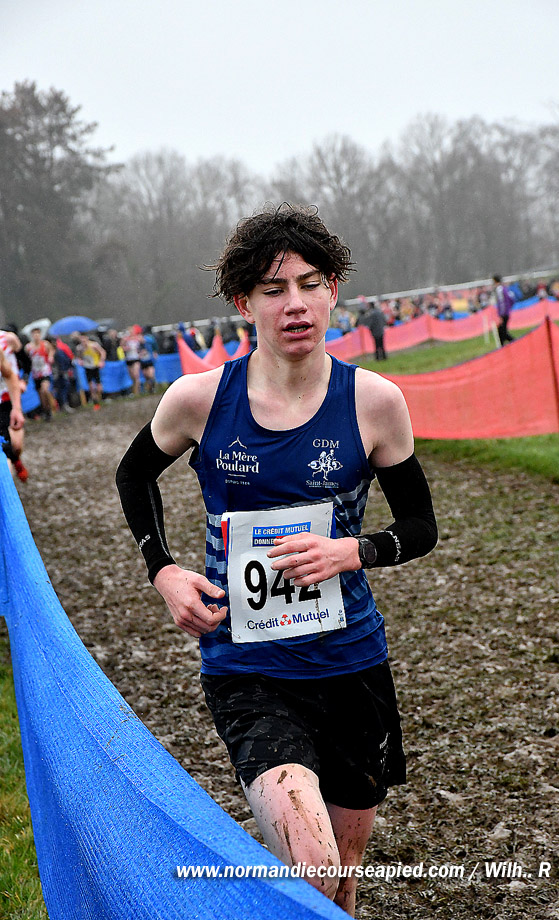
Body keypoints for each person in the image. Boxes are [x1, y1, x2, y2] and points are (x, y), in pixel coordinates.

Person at [115, 204, 437, 916]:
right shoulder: (199, 400)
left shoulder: (375, 402)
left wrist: (353, 551)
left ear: (333, 291)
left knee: (342, 881)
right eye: (273, 289)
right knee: (312, 867)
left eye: (310, 284)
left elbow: (421, 527)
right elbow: (133, 475)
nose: (295, 304)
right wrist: (163, 571)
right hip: (248, 667)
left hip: (352, 664)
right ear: (244, 302)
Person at [0, 334, 26, 479]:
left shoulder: (6, 338)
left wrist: (17, 408)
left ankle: (15, 460)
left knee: (15, 446)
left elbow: (10, 374)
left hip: (5, 399)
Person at [25, 327, 56, 419]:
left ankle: (50, 407)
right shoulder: (28, 347)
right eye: (34, 334)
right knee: (41, 395)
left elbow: (52, 350)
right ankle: (46, 410)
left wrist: (50, 356)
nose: (36, 336)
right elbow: (25, 358)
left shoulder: (45, 344)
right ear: (31, 336)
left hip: (45, 371)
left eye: (37, 334)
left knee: (44, 390)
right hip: (35, 374)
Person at [75, 333, 106, 409]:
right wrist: (80, 361)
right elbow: (78, 357)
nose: (83, 341)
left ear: (87, 338)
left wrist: (101, 361)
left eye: (84, 339)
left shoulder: (94, 345)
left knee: (99, 387)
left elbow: (102, 352)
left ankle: (99, 399)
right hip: (87, 367)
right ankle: (96, 403)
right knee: (91, 386)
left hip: (95, 366)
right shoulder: (79, 348)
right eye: (81, 340)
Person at [492, 274, 515, 346]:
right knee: (502, 331)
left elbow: (502, 303)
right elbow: (511, 299)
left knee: (502, 332)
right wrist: (509, 308)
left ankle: (515, 342)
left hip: (504, 313)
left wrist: (501, 314)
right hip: (506, 312)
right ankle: (503, 347)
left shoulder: (499, 289)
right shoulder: (505, 288)